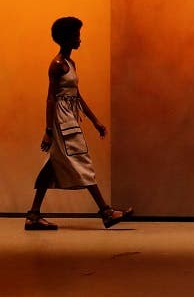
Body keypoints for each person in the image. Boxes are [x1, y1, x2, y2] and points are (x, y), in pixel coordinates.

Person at [25, 17, 132, 230]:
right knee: (81, 159)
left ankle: (33, 215)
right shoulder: (56, 65)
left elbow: (77, 95)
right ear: (66, 38)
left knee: (53, 164)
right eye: (76, 35)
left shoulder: (70, 64)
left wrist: (95, 121)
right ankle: (106, 212)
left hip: (70, 116)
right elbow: (50, 98)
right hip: (61, 119)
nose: (79, 39)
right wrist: (48, 130)